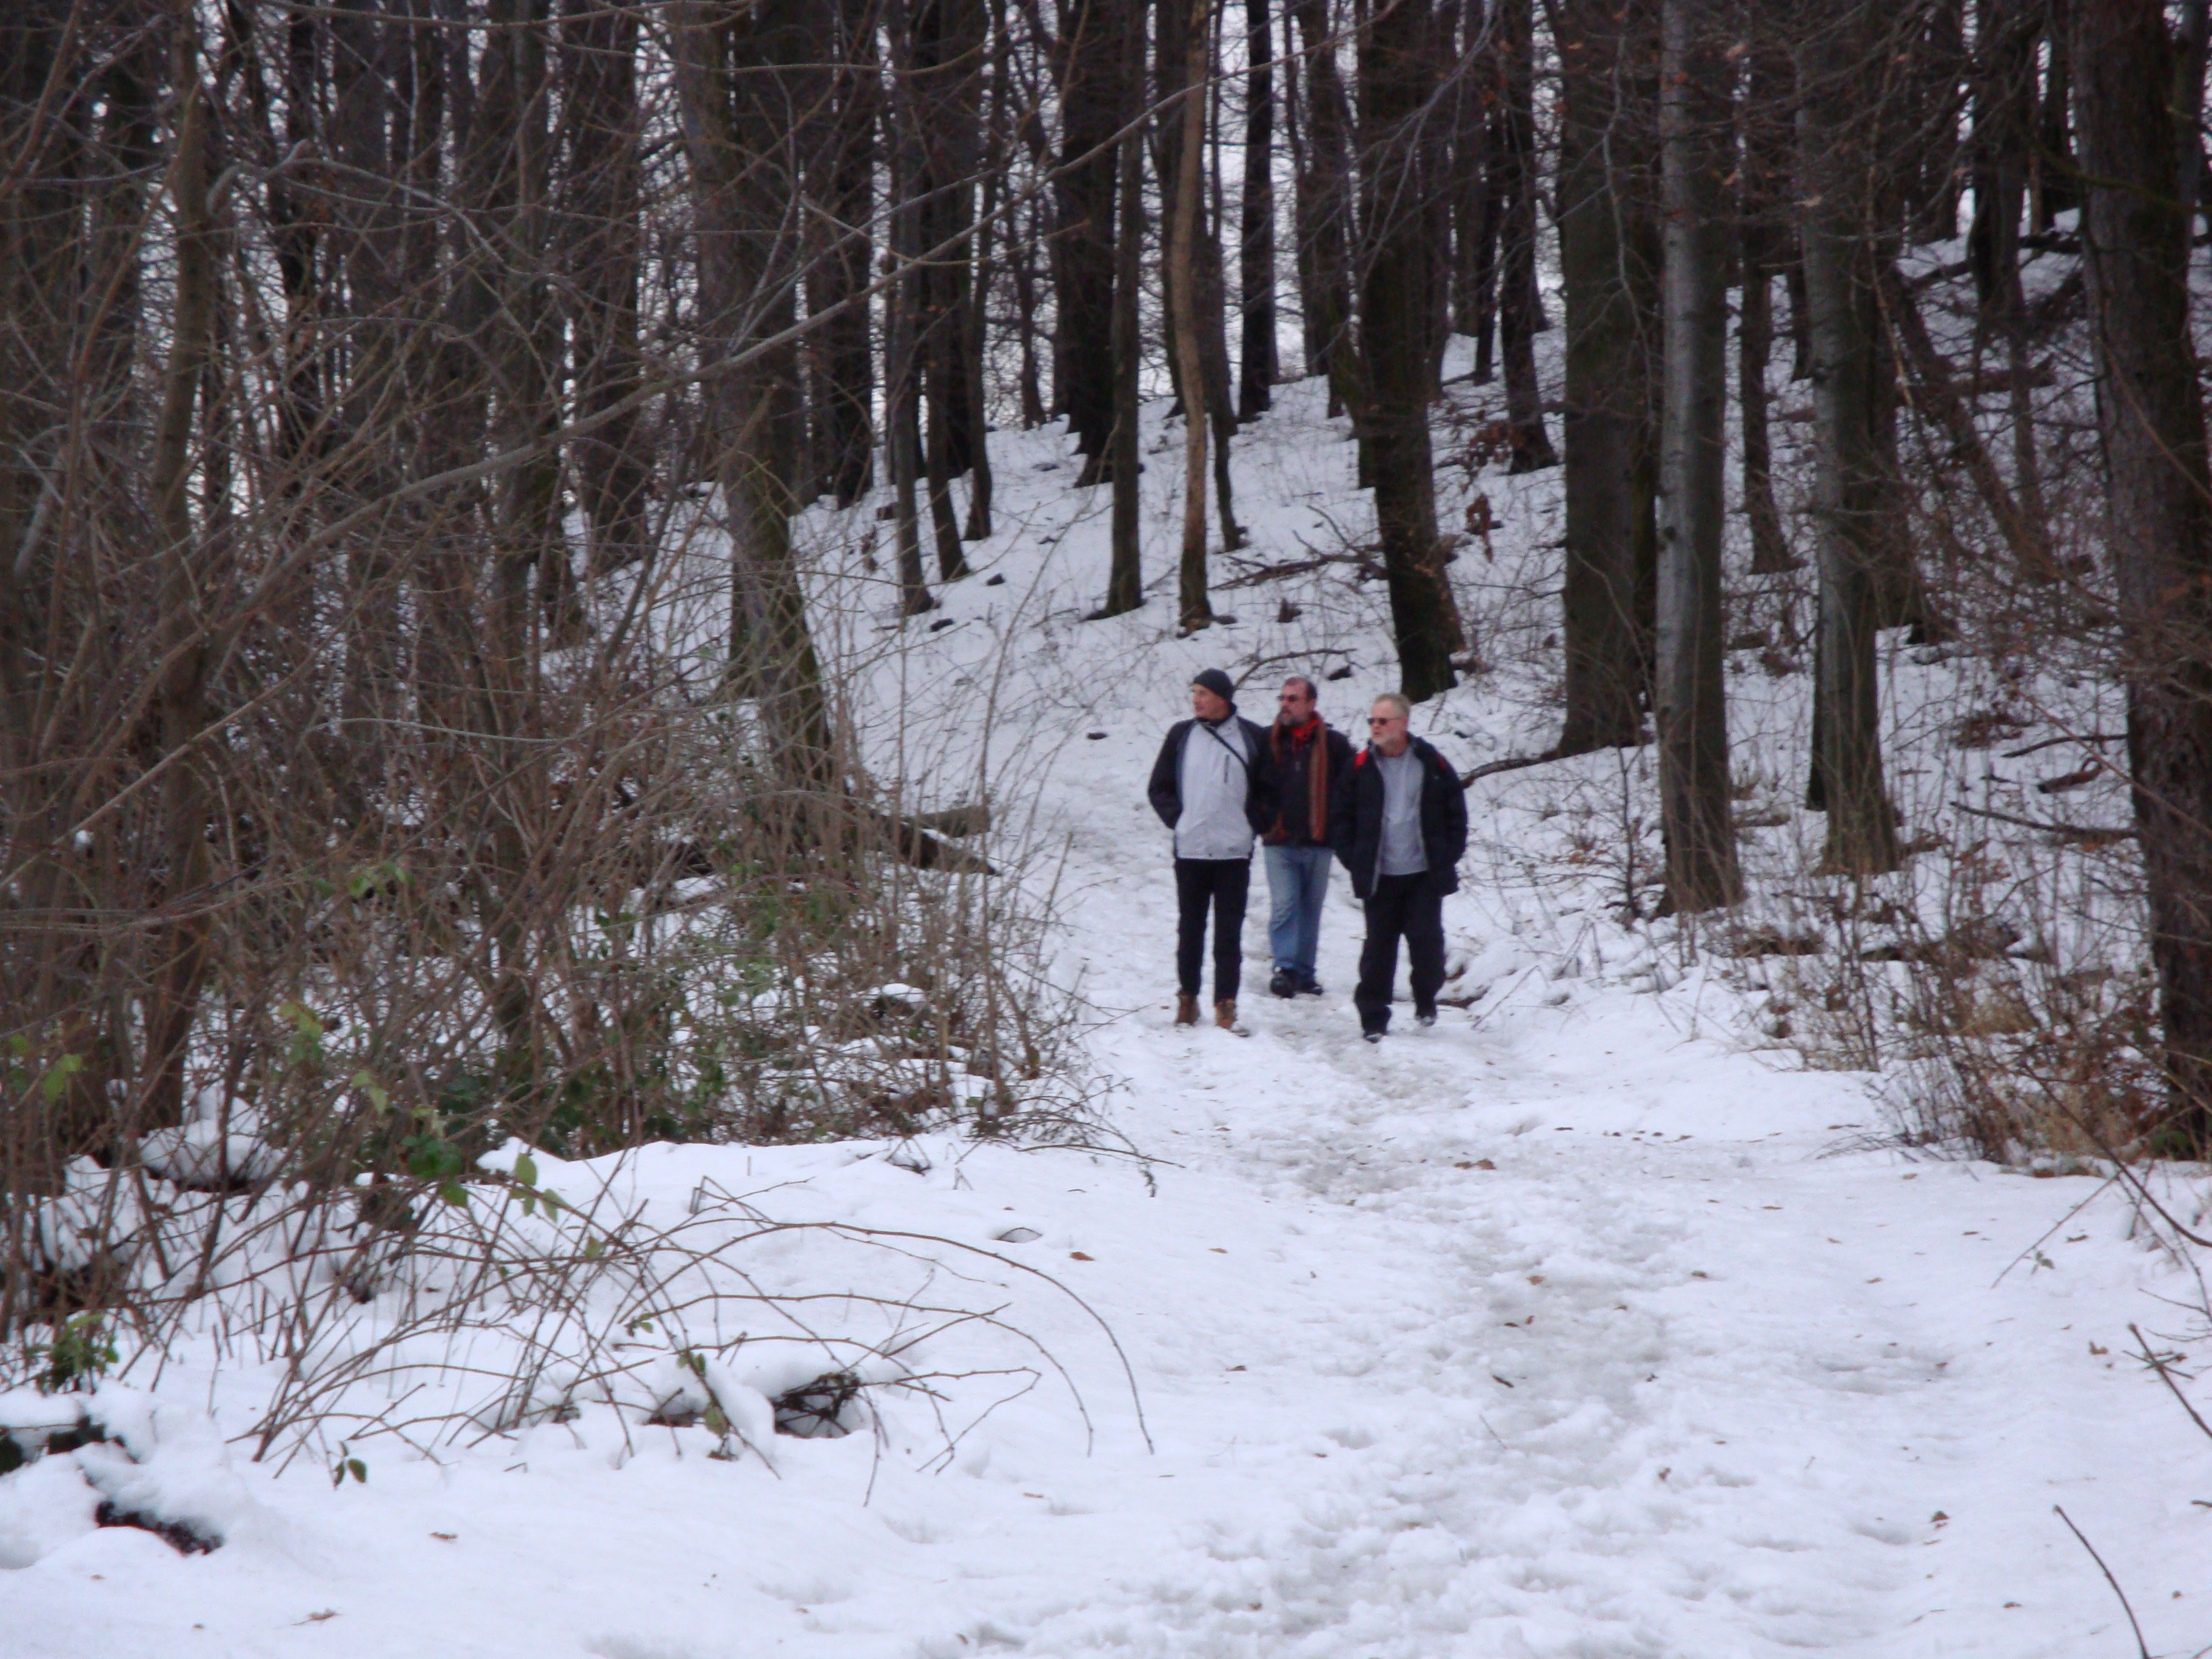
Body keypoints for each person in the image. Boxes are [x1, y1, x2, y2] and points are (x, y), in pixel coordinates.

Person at [1330, 692, 1469, 1042]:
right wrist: (1354, 859)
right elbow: (1340, 816)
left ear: (1403, 724)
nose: (1375, 727)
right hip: (1380, 876)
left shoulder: (1431, 763)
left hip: (1423, 874)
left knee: (1426, 944)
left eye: (1383, 721)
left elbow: (1456, 811)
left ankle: (1426, 997)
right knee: (1378, 949)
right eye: (1372, 721)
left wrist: (1447, 855)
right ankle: (1373, 1018)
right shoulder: (1360, 766)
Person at [1147, 668, 1277, 1029]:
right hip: (1190, 850)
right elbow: (1159, 787)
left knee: (1228, 934)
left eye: (1203, 693)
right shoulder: (1181, 736)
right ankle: (1187, 999)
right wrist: (1180, 820)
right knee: (1190, 930)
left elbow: (1271, 791)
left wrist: (1252, 824)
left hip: (1233, 853)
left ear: (1222, 698)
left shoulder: (1253, 737)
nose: (1196, 700)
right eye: (1194, 693)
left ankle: (1225, 1003)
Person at [1259, 677, 1355, 998]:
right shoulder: (1268, 741)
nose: (1285, 704)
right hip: (1278, 840)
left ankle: (1304, 973)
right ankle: (1284, 969)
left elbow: (1349, 790)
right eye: (1282, 698)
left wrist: (1340, 828)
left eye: (1293, 699)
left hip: (1319, 842)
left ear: (1311, 704)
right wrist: (1260, 817)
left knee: (1311, 910)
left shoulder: (1334, 745)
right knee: (1285, 904)